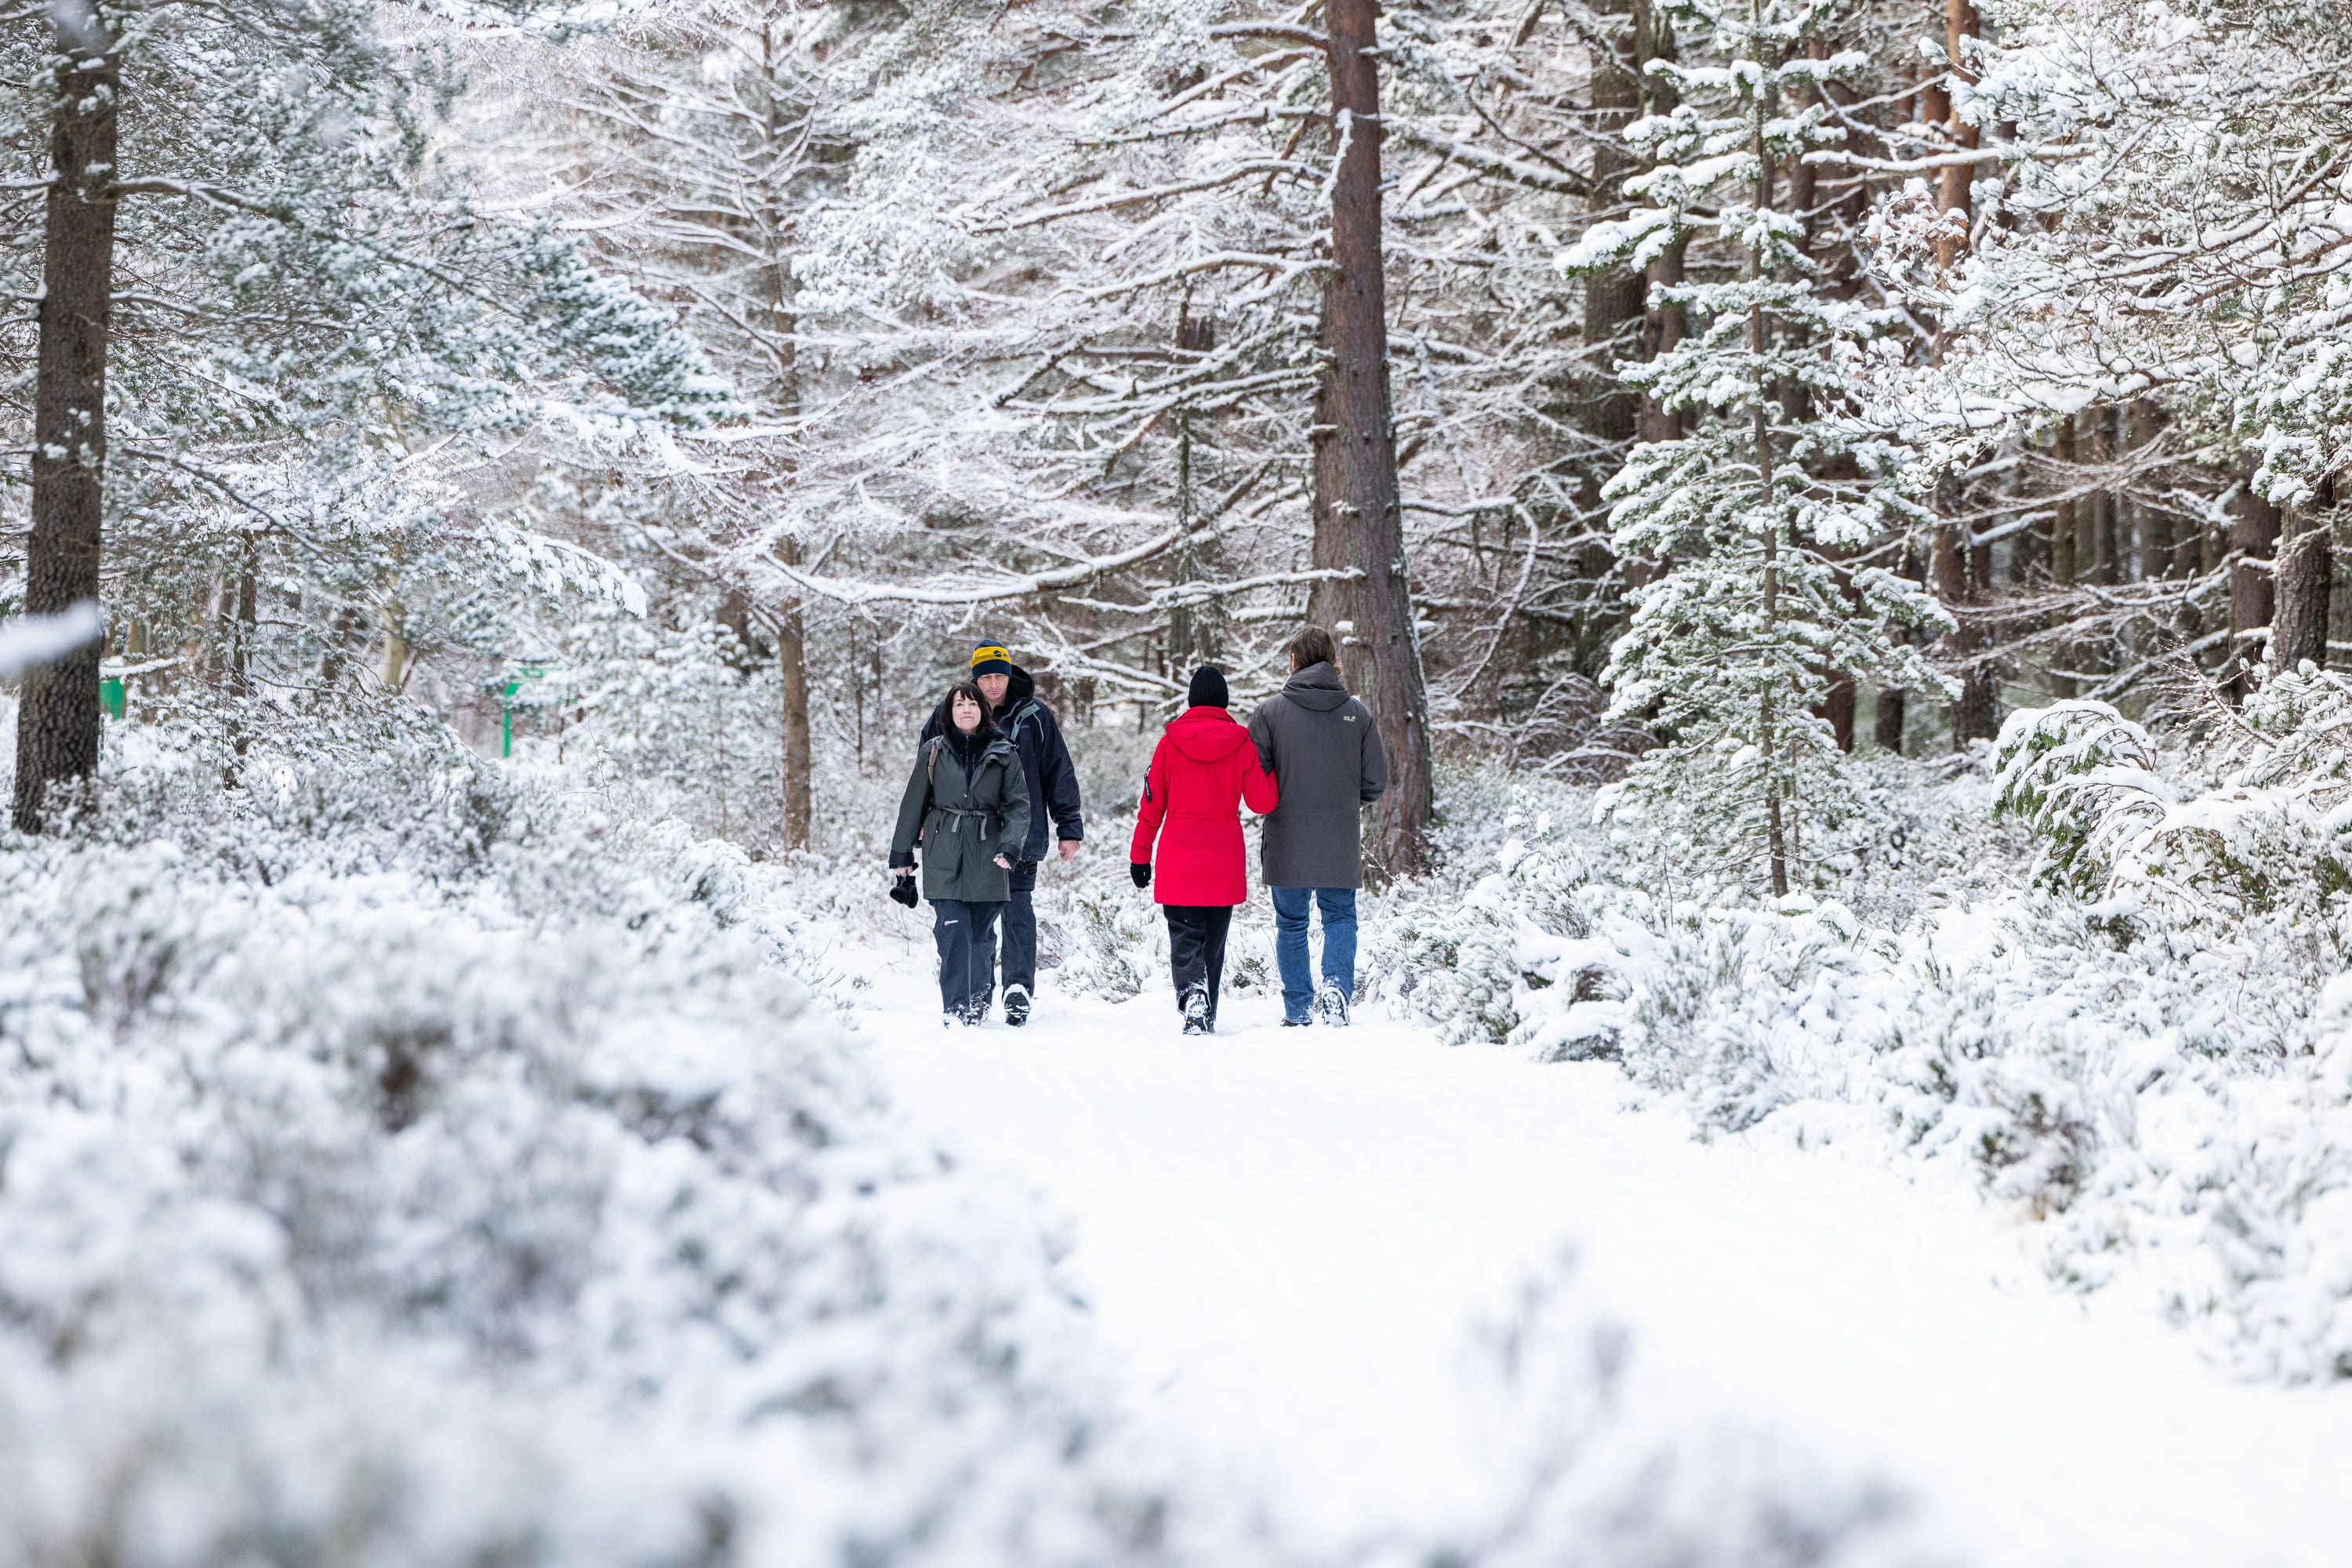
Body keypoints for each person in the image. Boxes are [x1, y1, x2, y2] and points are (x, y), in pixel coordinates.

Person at [920, 641, 1083, 1027]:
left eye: (999, 676)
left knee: (1017, 908)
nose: (993, 685)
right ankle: (976, 992)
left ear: (1010, 676)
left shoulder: (1034, 716)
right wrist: (925, 823)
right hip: (964, 841)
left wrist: (1069, 827)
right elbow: (926, 770)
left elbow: (1059, 771)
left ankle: (1018, 990)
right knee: (974, 918)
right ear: (975, 678)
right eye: (986, 677)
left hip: (1021, 834)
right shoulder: (952, 713)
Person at [1247, 626, 1388, 1026]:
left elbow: (1254, 779)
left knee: (1291, 924)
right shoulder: (1358, 714)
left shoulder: (1269, 713)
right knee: (1340, 916)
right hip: (1339, 836)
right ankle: (1336, 989)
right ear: (1333, 661)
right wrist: (1345, 802)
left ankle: (1297, 1009)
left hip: (1287, 835)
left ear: (1293, 662)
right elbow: (1376, 782)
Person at [1130, 665, 1279, 1035]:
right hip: (1223, 858)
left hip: (1178, 859)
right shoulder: (1241, 745)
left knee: (1184, 938)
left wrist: (1140, 856)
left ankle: (1193, 997)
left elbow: (1151, 808)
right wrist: (1272, 770)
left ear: (1192, 701)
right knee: (1214, 942)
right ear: (1225, 702)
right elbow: (1263, 803)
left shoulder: (1169, 744)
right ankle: (1205, 1012)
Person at [891, 682, 1032, 1027]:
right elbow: (913, 803)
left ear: (983, 710)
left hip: (989, 853)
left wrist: (1011, 846)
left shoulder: (1004, 751)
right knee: (952, 929)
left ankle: (979, 999)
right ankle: (956, 1009)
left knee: (981, 934)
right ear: (948, 712)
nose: (966, 709)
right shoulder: (933, 751)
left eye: (972, 703)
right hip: (944, 851)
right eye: (959, 704)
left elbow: (1018, 805)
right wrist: (901, 853)